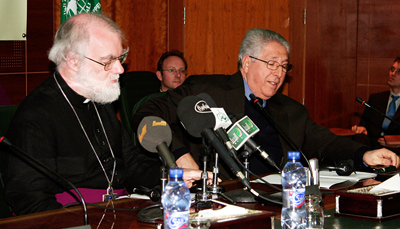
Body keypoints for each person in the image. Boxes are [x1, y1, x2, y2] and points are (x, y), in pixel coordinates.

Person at [2, 13, 209, 216]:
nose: (120, 69)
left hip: (116, 212)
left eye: (120, 58)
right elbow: (29, 198)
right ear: (73, 61)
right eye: (108, 61)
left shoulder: (98, 99)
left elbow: (132, 164)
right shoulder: (37, 115)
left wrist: (172, 177)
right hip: (75, 220)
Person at [133, 28, 399, 180]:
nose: (279, 73)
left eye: (284, 66)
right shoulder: (208, 90)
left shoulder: (290, 110)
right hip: (223, 195)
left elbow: (324, 141)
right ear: (247, 63)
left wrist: (363, 154)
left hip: (278, 195)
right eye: (271, 64)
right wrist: (179, 156)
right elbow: (149, 111)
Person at [352, 57, 400, 151]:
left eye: (399, 72)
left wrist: (393, 141)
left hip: (396, 150)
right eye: (392, 69)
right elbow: (364, 125)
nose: (393, 74)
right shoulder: (376, 98)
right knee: (357, 140)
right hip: (373, 147)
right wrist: (362, 129)